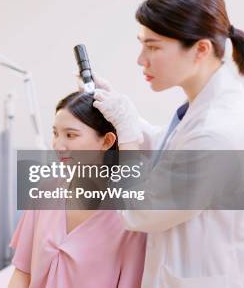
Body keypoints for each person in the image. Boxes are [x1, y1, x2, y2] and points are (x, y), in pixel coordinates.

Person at [92, 0, 244, 287]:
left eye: (154, 46)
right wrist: (125, 115)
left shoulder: (216, 132)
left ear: (201, 49)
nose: (140, 59)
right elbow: (172, 153)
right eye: (141, 43)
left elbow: (139, 211)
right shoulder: (208, 104)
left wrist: (128, 135)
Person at [8, 92, 146, 288]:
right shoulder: (45, 193)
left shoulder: (129, 215)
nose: (58, 145)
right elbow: (22, 273)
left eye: (70, 135)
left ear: (106, 141)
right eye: (55, 133)